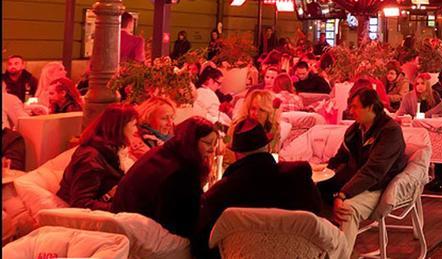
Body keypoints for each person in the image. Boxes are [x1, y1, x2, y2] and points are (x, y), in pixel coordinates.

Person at [197, 118, 321, 258]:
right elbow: (317, 221)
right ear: (267, 148)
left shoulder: (219, 194)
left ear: (237, 154)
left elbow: (204, 244)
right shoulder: (300, 178)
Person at [319, 87, 407, 258]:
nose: (350, 111)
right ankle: (325, 247)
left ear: (371, 107)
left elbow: (374, 171)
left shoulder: (390, 131)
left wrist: (343, 194)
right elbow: (341, 157)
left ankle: (340, 255)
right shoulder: (355, 130)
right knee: (310, 192)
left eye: (355, 107)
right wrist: (323, 170)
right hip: (357, 180)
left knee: (347, 209)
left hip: (379, 185)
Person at [114, 118, 218, 246]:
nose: (212, 150)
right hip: (143, 234)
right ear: (191, 141)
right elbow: (183, 221)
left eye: (214, 145)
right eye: (207, 143)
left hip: (129, 226)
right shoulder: (180, 170)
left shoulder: (163, 153)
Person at [57, 103, 137, 210]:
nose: (136, 130)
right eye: (134, 125)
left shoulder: (112, 151)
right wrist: (122, 208)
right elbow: (81, 203)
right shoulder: (90, 158)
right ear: (120, 127)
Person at [228, 89, 280, 155]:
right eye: (253, 108)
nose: (256, 113)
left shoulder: (273, 129)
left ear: (269, 113)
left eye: (262, 110)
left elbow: (274, 154)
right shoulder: (238, 127)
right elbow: (228, 152)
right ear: (248, 109)